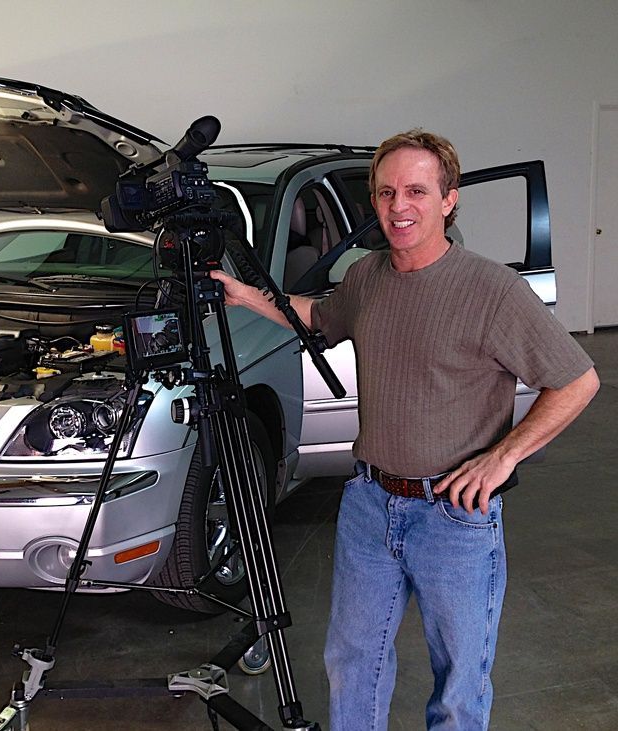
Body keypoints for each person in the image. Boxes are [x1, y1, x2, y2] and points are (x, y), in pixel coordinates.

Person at [210, 129, 599, 730]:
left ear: (449, 199)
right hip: (369, 502)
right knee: (353, 661)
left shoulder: (492, 289)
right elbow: (319, 316)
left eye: (416, 191)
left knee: (459, 682)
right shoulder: (366, 277)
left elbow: (577, 381)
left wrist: (503, 458)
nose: (399, 207)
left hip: (455, 517)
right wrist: (249, 296)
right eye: (387, 193)